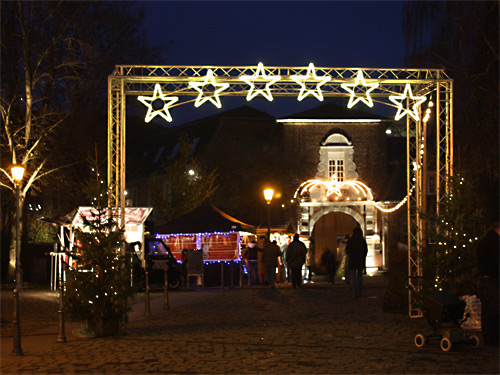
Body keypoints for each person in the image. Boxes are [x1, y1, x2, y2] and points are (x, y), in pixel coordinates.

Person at [476, 221, 499, 346]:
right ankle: (493, 338)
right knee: (495, 308)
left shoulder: (485, 241)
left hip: (482, 279)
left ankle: (487, 337)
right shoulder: (495, 242)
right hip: (490, 280)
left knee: (487, 308)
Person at [345, 227, 368, 298]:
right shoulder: (362, 240)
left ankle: (355, 293)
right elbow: (365, 251)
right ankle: (360, 292)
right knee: (360, 277)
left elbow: (347, 250)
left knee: (353, 277)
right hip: (360, 260)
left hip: (353, 260)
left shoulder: (351, 240)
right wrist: (362, 257)